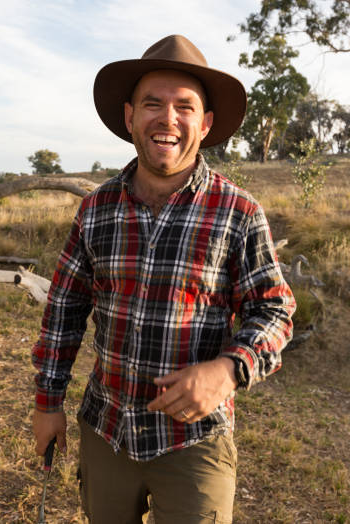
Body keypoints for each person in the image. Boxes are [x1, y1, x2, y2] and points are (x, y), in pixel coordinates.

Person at [32, 35, 295, 524]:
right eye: (153, 103)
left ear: (206, 123)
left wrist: (227, 370)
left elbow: (275, 309)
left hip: (195, 442)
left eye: (184, 106)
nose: (168, 119)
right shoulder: (96, 210)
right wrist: (48, 404)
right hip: (106, 427)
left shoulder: (237, 212)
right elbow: (63, 313)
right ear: (130, 116)